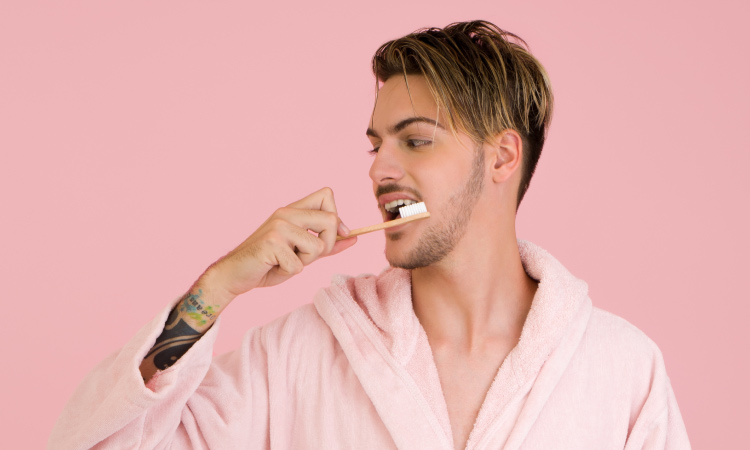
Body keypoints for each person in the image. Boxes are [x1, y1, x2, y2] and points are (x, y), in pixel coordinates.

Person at [49, 20, 690, 449]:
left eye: (415, 140)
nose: (380, 168)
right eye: (377, 144)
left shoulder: (621, 370)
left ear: (501, 158)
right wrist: (218, 287)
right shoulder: (295, 357)